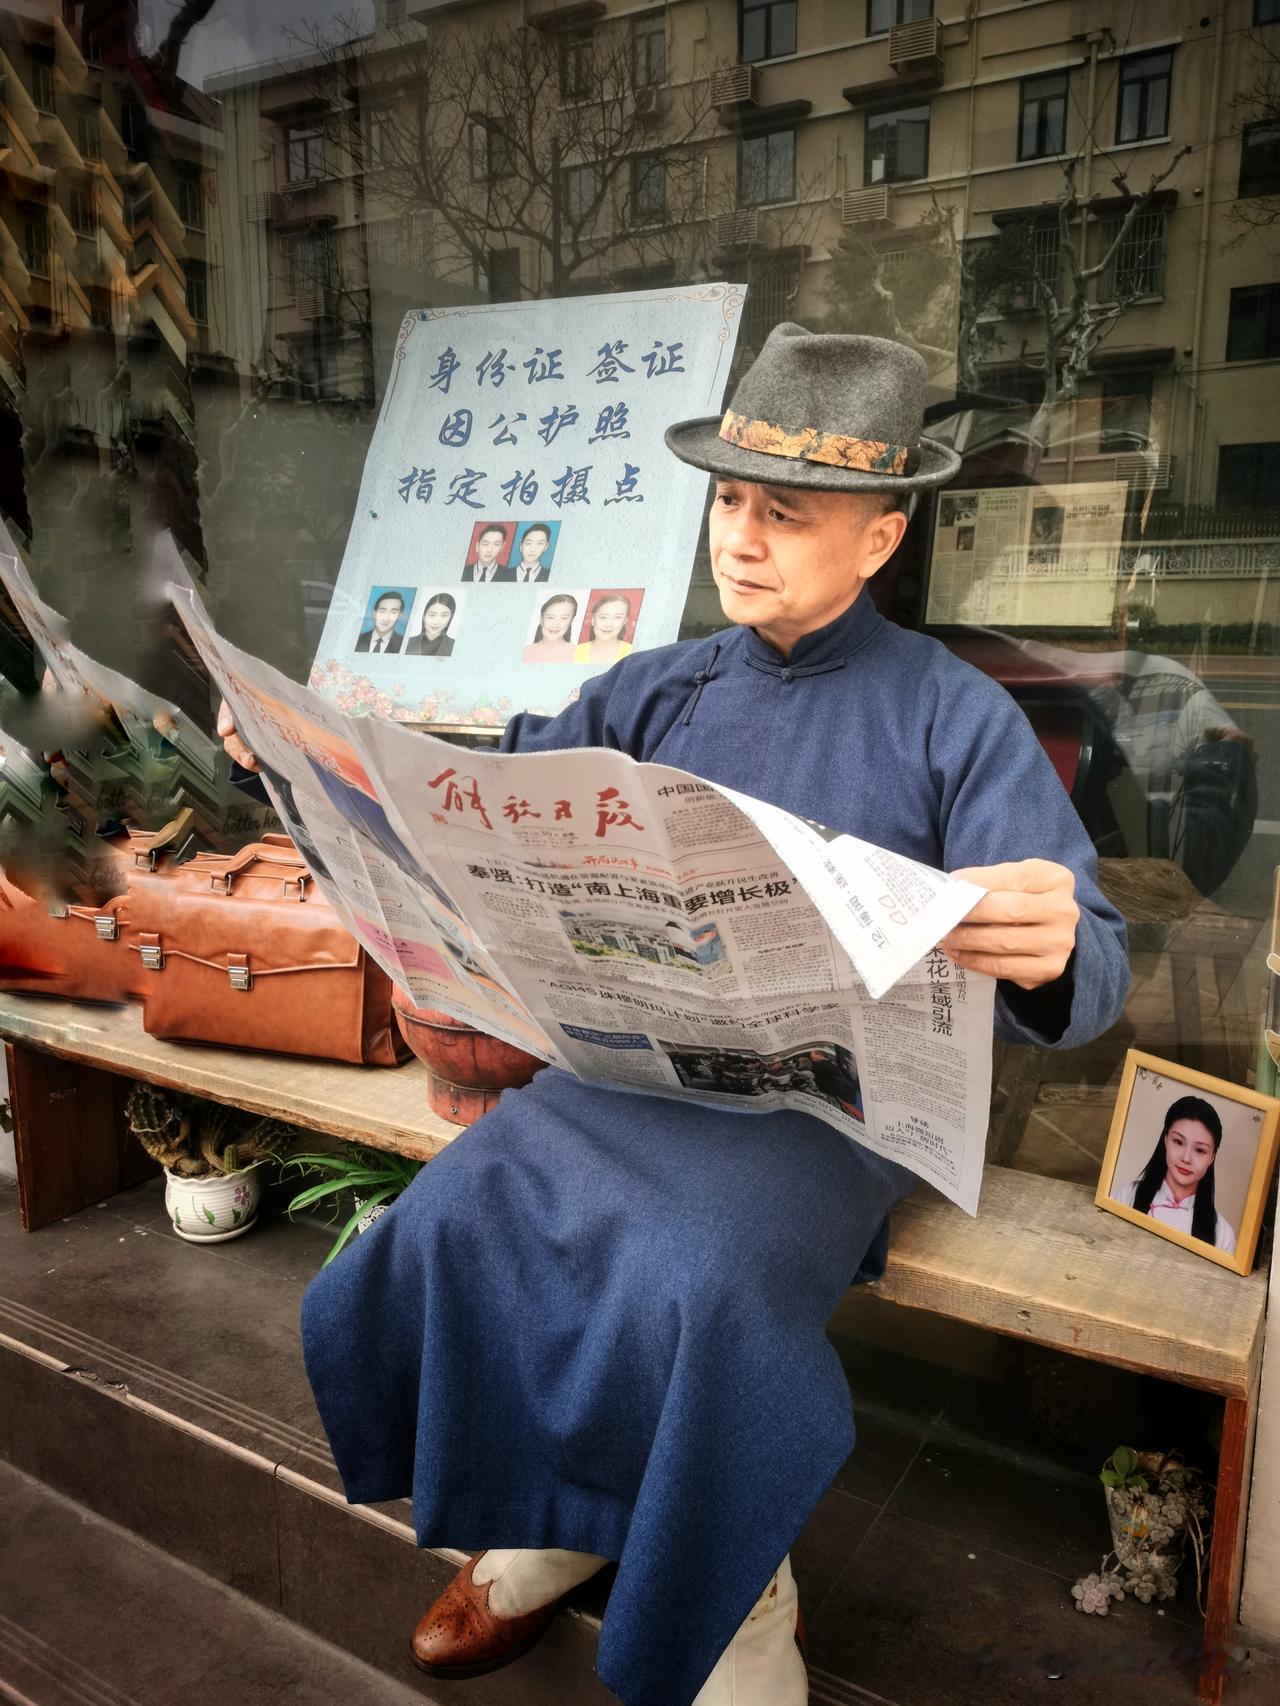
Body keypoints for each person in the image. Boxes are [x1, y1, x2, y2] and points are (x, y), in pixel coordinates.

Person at [218, 326, 1130, 1706]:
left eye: (788, 512)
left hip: (824, 1118)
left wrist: (1055, 942)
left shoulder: (957, 716)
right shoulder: (661, 683)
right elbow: (480, 790)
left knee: (695, 1273)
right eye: (731, 501)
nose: (743, 539)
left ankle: (737, 1594)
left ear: (880, 540)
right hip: (638, 1073)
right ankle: (559, 1517)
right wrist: (323, 761)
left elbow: (1094, 957)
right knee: (467, 1208)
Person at [1114, 1095, 1236, 1253]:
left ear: (1212, 1157)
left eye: (1200, 1150)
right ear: (1165, 1139)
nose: (1186, 1158)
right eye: (1178, 1142)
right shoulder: (1127, 1196)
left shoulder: (1222, 1234)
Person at [575, 593, 633, 665]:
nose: (608, 624)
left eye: (617, 617)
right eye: (603, 617)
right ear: (593, 620)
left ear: (625, 621)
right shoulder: (575, 652)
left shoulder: (632, 652)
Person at [521, 593, 578, 663]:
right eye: (551, 617)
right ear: (541, 619)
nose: (555, 625)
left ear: (571, 621)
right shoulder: (524, 651)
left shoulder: (579, 654)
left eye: (564, 618)